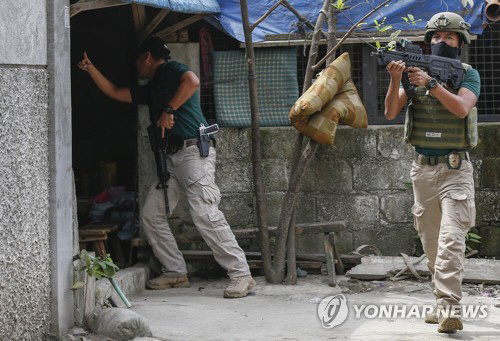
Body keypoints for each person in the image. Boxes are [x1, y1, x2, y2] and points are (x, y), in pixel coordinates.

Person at [78, 37, 256, 298]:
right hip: (170, 159)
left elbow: (192, 81)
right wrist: (90, 68)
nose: (136, 66)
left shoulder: (171, 70)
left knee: (205, 213)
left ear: (147, 57)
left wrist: (170, 109)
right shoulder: (152, 87)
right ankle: (175, 272)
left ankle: (241, 274)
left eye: (138, 60)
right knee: (151, 214)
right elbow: (115, 92)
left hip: (193, 151)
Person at [384, 12, 480, 333]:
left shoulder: (468, 75)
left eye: (449, 38)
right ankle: (440, 304)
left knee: (452, 238)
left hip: (456, 170)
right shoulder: (414, 75)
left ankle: (450, 309)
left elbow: (462, 108)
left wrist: (433, 83)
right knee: (430, 242)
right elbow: (390, 112)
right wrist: (398, 79)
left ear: (460, 43)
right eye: (436, 38)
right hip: (422, 171)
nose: (441, 42)